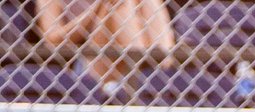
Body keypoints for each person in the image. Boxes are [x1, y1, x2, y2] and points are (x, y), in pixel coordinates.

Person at [35, 0, 174, 95]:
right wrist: (97, 8)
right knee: (117, 5)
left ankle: (155, 62)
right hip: (90, 63)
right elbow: (52, 40)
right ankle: (137, 70)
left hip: (134, 48)